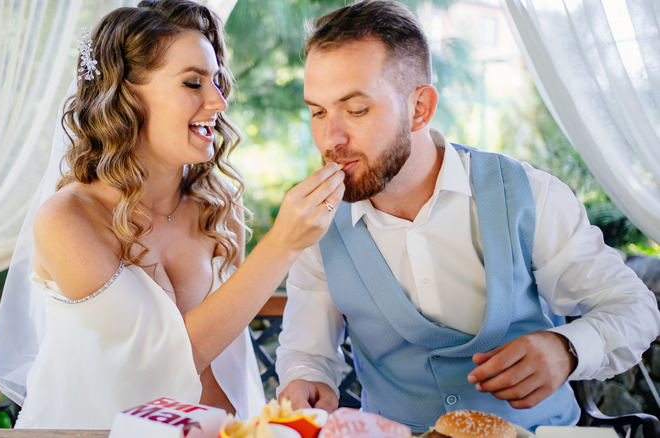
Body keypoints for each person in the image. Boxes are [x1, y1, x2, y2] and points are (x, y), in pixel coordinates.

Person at [275, 0, 660, 433]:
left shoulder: (530, 195)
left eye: (357, 109)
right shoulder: (316, 225)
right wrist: (305, 379)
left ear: (420, 108)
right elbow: (307, 353)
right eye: (318, 111)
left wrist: (566, 348)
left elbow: (634, 306)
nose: (331, 138)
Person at [0, 0, 345, 429]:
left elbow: (220, 362)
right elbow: (157, 366)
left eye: (216, 82)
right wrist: (282, 245)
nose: (218, 101)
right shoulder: (69, 220)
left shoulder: (218, 208)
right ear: (124, 97)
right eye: (193, 83)